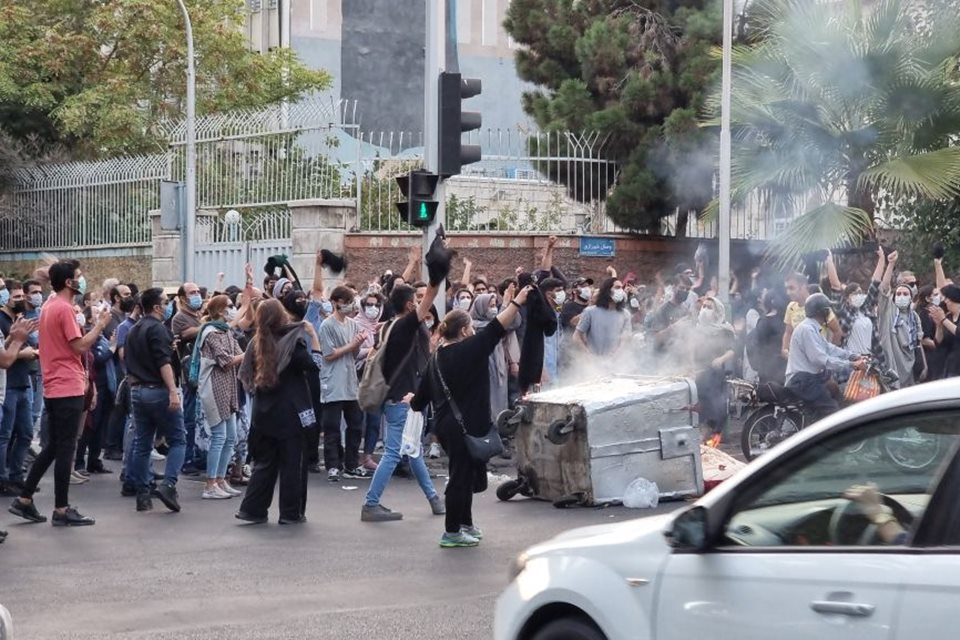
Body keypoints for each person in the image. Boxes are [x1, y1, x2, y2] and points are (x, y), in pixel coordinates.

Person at [411, 284, 533, 548]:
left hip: (449, 426)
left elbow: (420, 398)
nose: (475, 332)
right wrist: (516, 303)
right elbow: (495, 329)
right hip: (462, 427)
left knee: (465, 477)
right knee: (459, 479)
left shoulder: (436, 357)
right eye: (472, 329)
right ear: (465, 330)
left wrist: (412, 401)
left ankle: (465, 524)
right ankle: (452, 531)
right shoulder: (468, 350)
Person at [9, 260, 108, 527]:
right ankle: (61, 509)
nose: (81, 280)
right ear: (69, 283)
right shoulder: (62, 308)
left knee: (54, 445)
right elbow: (79, 346)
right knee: (65, 448)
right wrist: (99, 326)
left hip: (56, 384)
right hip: (66, 385)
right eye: (78, 277)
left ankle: (25, 498)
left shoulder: (50, 306)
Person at [361, 277, 445, 522]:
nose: (422, 305)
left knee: (413, 449)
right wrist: (438, 270)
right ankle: (371, 503)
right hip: (402, 397)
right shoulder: (404, 326)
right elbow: (430, 294)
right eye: (416, 302)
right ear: (410, 305)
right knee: (394, 452)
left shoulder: (389, 326)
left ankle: (433, 499)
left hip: (401, 396)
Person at [236, 299, 321, 525]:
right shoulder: (295, 341)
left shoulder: (256, 343)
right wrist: (314, 337)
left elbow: (247, 375)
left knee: (264, 464)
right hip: (292, 413)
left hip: (263, 413)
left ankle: (252, 509)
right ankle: (291, 513)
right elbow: (315, 366)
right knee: (293, 464)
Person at [124, 287, 188, 513]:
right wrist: (172, 390)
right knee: (178, 439)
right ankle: (169, 484)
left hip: (138, 390)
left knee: (142, 442)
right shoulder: (157, 329)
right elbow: (164, 363)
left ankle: (142, 493)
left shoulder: (134, 329)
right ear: (157, 307)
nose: (169, 304)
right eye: (165, 301)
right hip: (157, 389)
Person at [784, 293, 866, 421]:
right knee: (832, 412)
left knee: (835, 390)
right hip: (803, 381)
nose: (829, 312)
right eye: (828, 310)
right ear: (822, 312)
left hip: (810, 379)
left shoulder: (812, 328)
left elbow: (829, 348)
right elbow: (820, 359)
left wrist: (852, 355)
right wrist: (851, 365)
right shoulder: (807, 330)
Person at [194, 295, 245, 500]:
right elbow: (226, 360)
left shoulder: (226, 331)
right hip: (214, 388)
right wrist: (250, 351)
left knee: (230, 437)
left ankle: (221, 479)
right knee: (219, 437)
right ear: (221, 311)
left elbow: (237, 354)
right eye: (230, 306)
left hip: (229, 387)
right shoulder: (211, 333)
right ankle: (210, 483)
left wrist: (245, 354)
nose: (233, 310)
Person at [318, 286, 369, 481]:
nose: (348, 306)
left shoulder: (353, 324)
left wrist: (363, 346)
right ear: (335, 302)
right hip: (332, 381)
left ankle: (351, 464)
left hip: (350, 381)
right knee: (331, 426)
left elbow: (355, 354)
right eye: (345, 301)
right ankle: (333, 464)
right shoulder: (327, 326)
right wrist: (352, 345)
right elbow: (329, 355)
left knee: (355, 425)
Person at [0, 281, 40, 492]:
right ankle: (3, 479)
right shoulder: (2, 320)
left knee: (25, 433)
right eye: (15, 297)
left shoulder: (19, 319)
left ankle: (16, 476)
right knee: (4, 434)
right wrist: (20, 347)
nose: (20, 300)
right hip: (9, 386)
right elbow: (5, 358)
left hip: (23, 381)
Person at [692, 296, 736, 447]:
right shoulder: (698, 328)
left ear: (717, 311)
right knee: (698, 407)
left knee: (715, 406)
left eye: (709, 307)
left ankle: (711, 439)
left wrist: (720, 360)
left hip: (715, 374)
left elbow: (732, 350)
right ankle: (701, 440)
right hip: (699, 374)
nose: (705, 310)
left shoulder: (724, 329)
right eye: (704, 306)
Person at [171, 281, 204, 476]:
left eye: (198, 291)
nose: (197, 295)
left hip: (202, 374)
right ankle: (187, 459)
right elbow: (185, 334)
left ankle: (198, 455)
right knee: (189, 419)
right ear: (183, 298)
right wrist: (208, 325)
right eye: (192, 292)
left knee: (199, 418)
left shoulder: (199, 316)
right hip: (188, 375)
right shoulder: (180, 317)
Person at [877, 251, 924, 388]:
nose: (902, 296)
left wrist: (924, 366)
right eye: (899, 294)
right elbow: (884, 288)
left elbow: (918, 346)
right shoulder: (889, 311)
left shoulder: (914, 317)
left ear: (910, 297)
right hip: (892, 375)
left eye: (905, 294)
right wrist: (890, 264)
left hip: (910, 376)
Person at [575, 277, 632, 357]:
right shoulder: (590, 312)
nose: (621, 291)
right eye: (617, 287)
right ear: (607, 290)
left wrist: (617, 354)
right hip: (593, 362)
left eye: (621, 288)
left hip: (617, 363)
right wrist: (588, 355)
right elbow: (577, 336)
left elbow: (626, 338)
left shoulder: (625, 314)